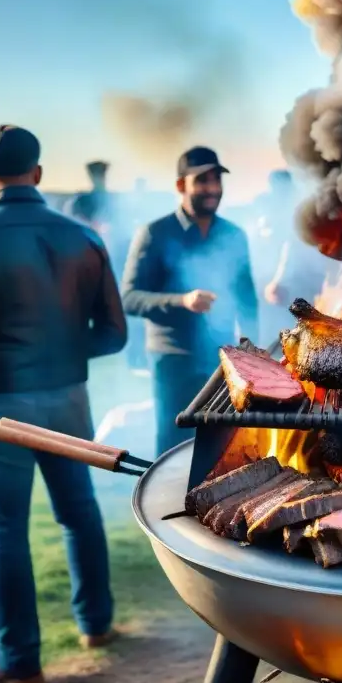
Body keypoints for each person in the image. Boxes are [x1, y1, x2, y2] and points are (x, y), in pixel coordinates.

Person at [0, 126, 127, 683]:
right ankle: (96, 624)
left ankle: (18, 663)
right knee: (79, 512)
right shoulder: (84, 236)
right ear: (38, 173)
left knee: (3, 533)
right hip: (68, 398)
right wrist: (60, 349)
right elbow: (113, 335)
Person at [121, 146, 258, 456]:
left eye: (216, 180)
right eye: (203, 181)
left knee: (224, 448)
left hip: (222, 360)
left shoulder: (233, 234)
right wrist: (181, 300)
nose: (212, 189)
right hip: (174, 360)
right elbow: (129, 298)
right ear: (181, 186)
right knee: (172, 449)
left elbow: (247, 300)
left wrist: (254, 352)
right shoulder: (154, 234)